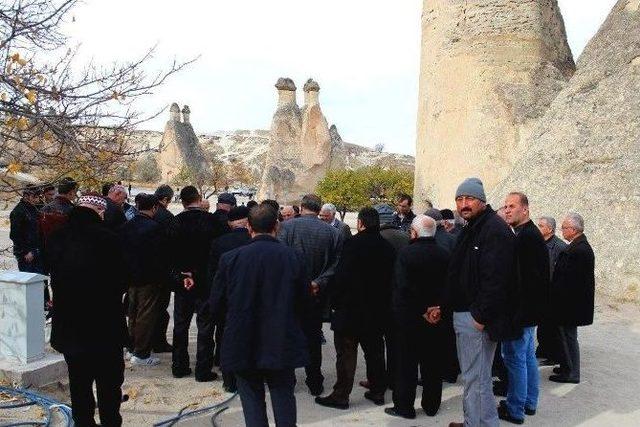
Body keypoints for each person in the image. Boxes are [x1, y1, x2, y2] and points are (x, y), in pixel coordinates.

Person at [211, 205, 309, 427]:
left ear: (248, 227)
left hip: (243, 340)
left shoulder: (231, 259)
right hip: (281, 339)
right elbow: (305, 304)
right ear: (277, 226)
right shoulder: (293, 258)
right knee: (283, 396)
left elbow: (217, 304)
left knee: (252, 400)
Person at [433, 178, 518, 427]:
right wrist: (444, 306)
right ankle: (478, 421)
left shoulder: (493, 230)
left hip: (476, 318)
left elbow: (498, 280)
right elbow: (460, 274)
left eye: (469, 199)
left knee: (476, 379)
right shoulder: (474, 226)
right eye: (459, 200)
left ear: (482, 201)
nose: (463, 204)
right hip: (466, 314)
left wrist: (480, 316)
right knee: (476, 378)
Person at [45, 195, 127, 426]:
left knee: (79, 384)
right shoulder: (110, 239)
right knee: (109, 384)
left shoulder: (56, 238)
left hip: (70, 327)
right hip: (105, 327)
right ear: (99, 212)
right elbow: (123, 280)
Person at [315, 207, 395, 409]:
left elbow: (341, 277)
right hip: (377, 312)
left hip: (350, 311)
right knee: (375, 353)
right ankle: (377, 391)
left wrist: (333, 303)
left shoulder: (352, 244)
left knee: (346, 355)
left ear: (360, 223)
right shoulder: (387, 248)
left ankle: (341, 395)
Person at [385, 215, 450, 419]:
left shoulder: (406, 254)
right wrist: (437, 309)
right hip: (437, 318)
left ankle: (404, 407)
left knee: (407, 365)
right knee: (433, 364)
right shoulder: (445, 254)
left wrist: (423, 309)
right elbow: (451, 286)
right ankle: (431, 405)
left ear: (413, 232)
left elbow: (403, 287)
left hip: (410, 319)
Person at [278, 194, 340, 396]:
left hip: (290, 294)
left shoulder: (286, 228)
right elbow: (336, 264)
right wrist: (317, 282)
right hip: (316, 295)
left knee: (288, 336)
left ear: (301, 207)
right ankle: (315, 381)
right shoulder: (332, 232)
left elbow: (281, 259)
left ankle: (288, 379)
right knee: (313, 339)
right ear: (319, 208)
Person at [499, 192, 550, 424]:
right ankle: (528, 402)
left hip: (520, 312)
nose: (507, 210)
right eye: (505, 207)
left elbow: (523, 282)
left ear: (525, 210)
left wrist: (516, 313)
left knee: (515, 358)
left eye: (512, 206)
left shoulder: (525, 237)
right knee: (526, 357)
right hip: (529, 311)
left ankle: (515, 408)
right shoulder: (527, 234)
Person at [171, 186, 218, 381]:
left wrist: (182, 274)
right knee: (205, 327)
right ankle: (203, 369)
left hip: (183, 281)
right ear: (199, 199)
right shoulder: (212, 222)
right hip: (205, 281)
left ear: (182, 202)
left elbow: (169, 253)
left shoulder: (175, 222)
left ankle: (179, 366)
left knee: (180, 325)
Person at [207, 206, 252, 392]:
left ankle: (229, 380)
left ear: (229, 223)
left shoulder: (219, 243)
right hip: (250, 299)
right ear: (248, 223)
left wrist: (214, 302)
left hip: (227, 299)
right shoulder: (253, 241)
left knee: (225, 338)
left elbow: (213, 275)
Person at [120, 194, 168, 366]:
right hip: (150, 279)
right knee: (145, 316)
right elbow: (160, 256)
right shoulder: (155, 228)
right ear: (154, 208)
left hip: (131, 278)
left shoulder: (126, 226)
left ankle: (132, 347)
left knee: (132, 314)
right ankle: (141, 353)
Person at [548, 213, 595, 384]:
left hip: (570, 305)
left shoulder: (579, 250)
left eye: (564, 228)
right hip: (571, 304)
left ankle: (572, 373)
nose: (562, 231)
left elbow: (570, 281)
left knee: (568, 338)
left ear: (573, 230)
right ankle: (567, 366)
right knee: (566, 337)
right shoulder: (578, 246)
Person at [535, 216, 568, 364]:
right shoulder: (538, 244)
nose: (538, 228)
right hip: (541, 292)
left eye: (541, 226)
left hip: (553, 293)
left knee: (552, 327)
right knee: (542, 325)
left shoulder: (560, 247)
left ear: (550, 229)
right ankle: (544, 350)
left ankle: (554, 356)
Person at [151, 184, 177, 353]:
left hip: (146, 269)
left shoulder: (148, 213)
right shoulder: (166, 217)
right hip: (162, 270)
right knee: (160, 308)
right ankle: (158, 342)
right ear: (166, 199)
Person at [10, 185, 44, 274]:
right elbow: (15, 235)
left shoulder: (34, 209)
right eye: (34, 197)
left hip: (36, 251)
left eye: (37, 197)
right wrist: (25, 252)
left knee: (39, 282)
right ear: (26, 196)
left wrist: (37, 250)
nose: (37, 200)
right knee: (28, 283)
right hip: (25, 254)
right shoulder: (18, 212)